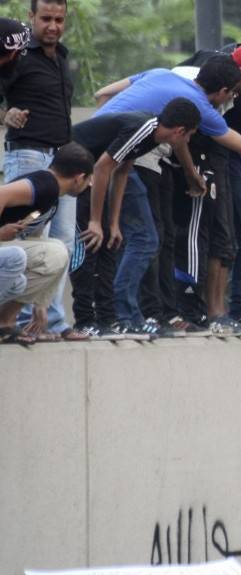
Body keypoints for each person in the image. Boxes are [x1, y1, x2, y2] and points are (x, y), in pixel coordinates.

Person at [69, 98, 200, 339]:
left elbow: (122, 172)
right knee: (89, 247)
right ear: (180, 131)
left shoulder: (152, 136)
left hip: (97, 177)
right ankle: (89, 318)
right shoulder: (144, 128)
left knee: (110, 244)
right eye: (189, 136)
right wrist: (96, 221)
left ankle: (115, 317)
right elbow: (102, 167)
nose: (188, 142)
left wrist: (114, 223)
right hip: (76, 174)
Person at [1, 0, 86, 341]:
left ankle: (53, 322)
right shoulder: (17, 55)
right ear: (31, 17)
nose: (53, 26)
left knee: (63, 242)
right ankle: (16, 321)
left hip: (61, 161)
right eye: (46, 19)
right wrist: (6, 116)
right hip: (29, 156)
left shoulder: (61, 56)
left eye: (59, 19)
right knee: (27, 239)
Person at [0, 142, 92, 344]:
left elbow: (34, 234)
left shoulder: (52, 195)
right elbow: (2, 194)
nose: (89, 185)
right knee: (54, 251)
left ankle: (4, 323)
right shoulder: (45, 184)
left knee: (50, 255)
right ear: (79, 177)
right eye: (89, 179)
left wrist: (40, 302)